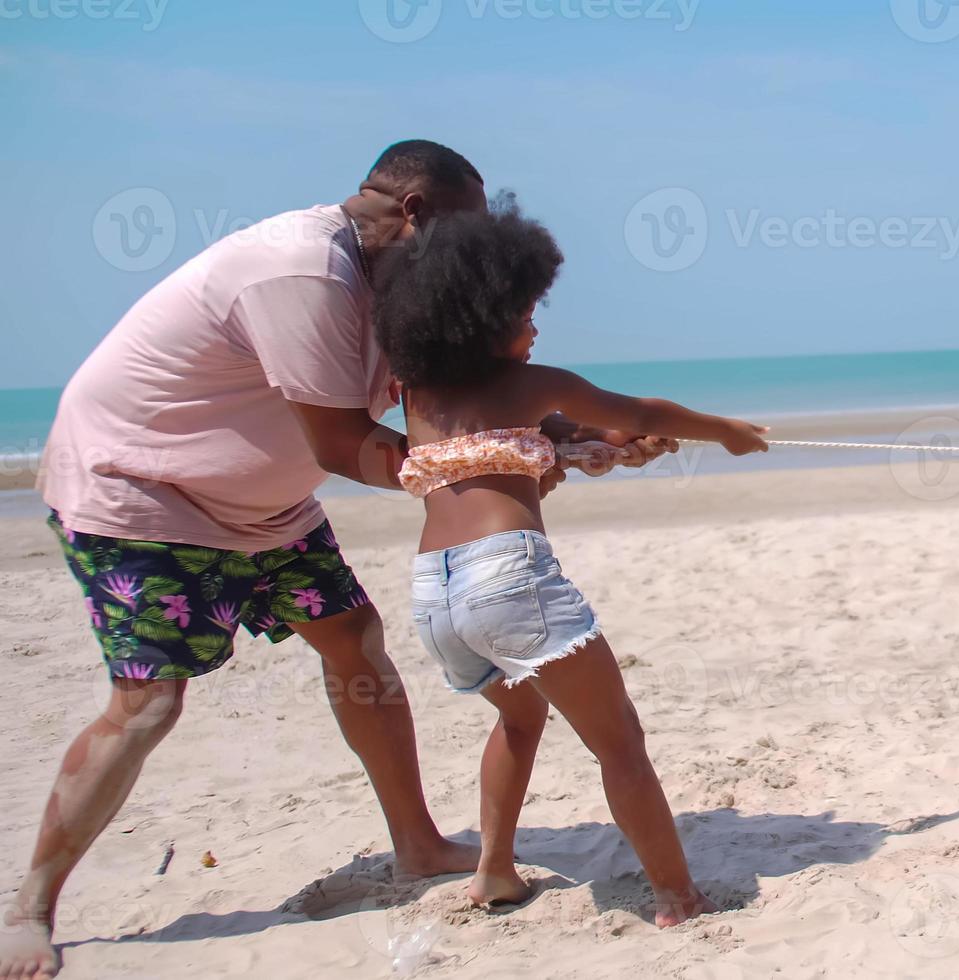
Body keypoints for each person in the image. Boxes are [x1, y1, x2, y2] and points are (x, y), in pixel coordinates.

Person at [1, 141, 668, 979]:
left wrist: (584, 439)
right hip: (140, 497)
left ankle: (418, 845)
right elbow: (348, 441)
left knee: (356, 642)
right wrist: (526, 461)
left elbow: (454, 413)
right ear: (416, 211)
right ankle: (30, 907)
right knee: (147, 705)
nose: (474, 258)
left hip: (267, 510)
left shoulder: (397, 286)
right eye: (466, 231)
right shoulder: (301, 273)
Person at [375, 199, 767, 924]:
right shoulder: (532, 382)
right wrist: (727, 432)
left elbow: (549, 441)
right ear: (484, 322)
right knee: (619, 740)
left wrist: (609, 445)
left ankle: (493, 871)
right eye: (525, 312)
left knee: (520, 719)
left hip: (436, 592)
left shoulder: (420, 400)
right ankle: (679, 897)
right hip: (508, 576)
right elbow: (643, 410)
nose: (536, 325)